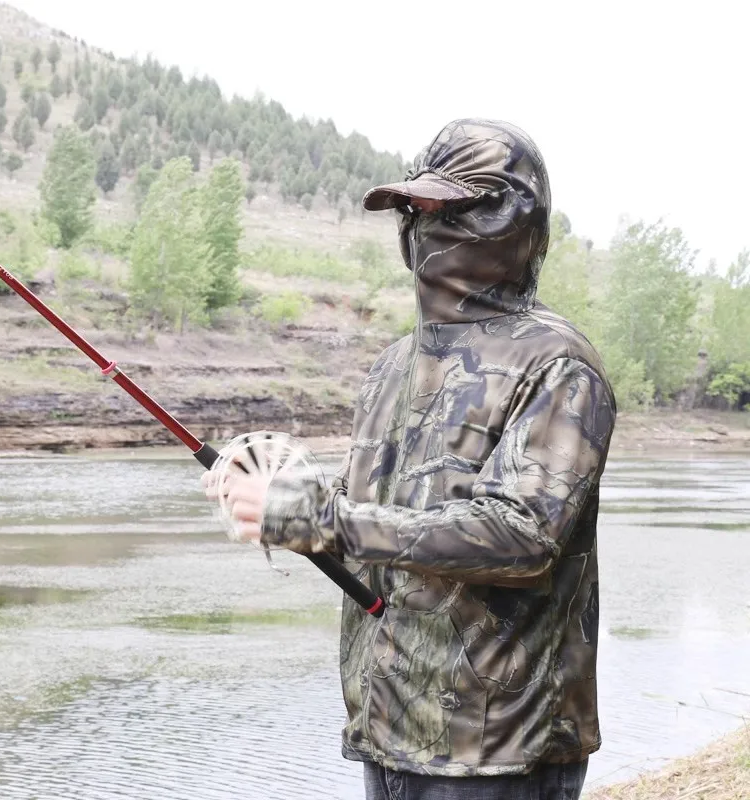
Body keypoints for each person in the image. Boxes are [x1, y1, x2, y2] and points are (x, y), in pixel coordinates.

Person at [208, 118, 616, 800]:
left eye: (441, 208)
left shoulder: (557, 363)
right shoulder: (393, 365)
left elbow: (521, 535)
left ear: (506, 216)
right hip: (389, 728)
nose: (419, 224)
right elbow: (376, 510)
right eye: (412, 208)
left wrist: (318, 517)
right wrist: (280, 497)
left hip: (501, 752)